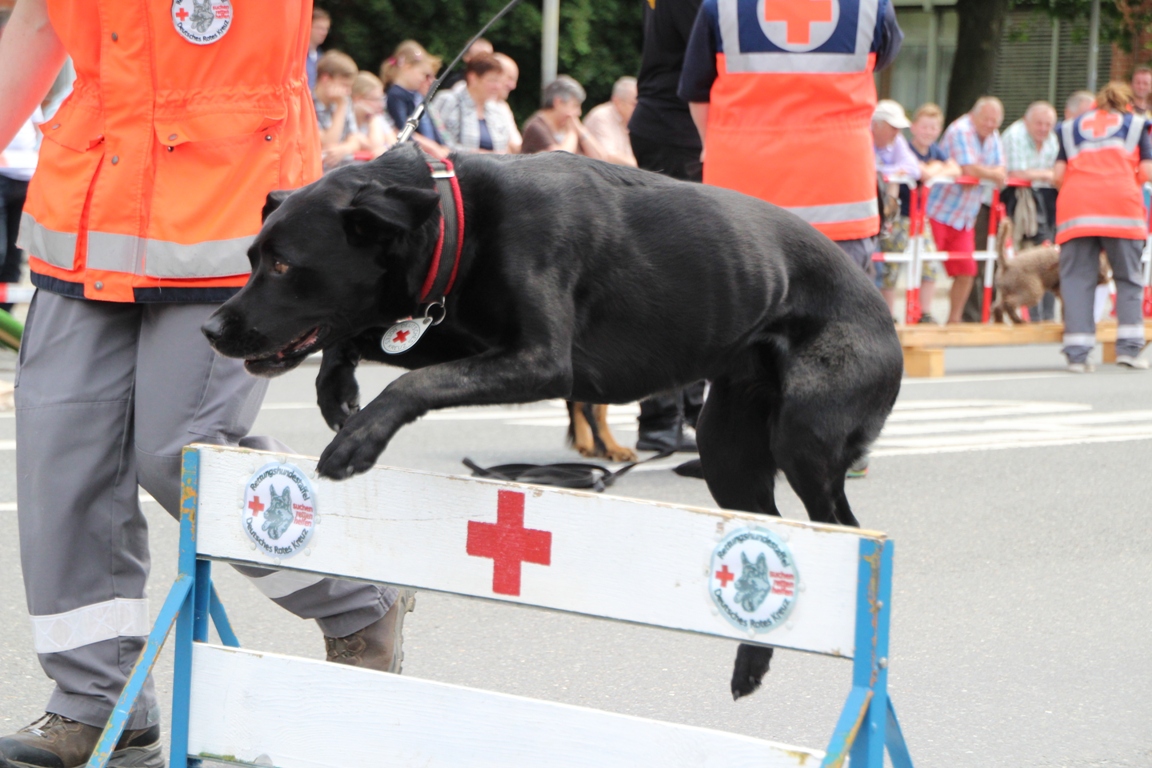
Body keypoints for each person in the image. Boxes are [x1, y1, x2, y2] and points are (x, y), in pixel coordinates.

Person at [0, 1, 409, 765]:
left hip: (229, 216)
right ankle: (99, 706)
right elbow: (32, 24)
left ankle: (355, 600)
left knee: (184, 453)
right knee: (62, 459)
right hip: (88, 209)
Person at [679, 0, 903, 275]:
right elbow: (883, 58)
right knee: (841, 312)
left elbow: (697, 92)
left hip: (740, 203)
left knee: (745, 313)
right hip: (839, 199)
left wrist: (709, 143)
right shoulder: (869, 5)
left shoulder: (724, 6)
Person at [627, 0, 705, 456]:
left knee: (690, 279)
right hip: (678, 129)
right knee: (677, 280)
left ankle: (689, 409)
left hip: (673, 126)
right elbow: (714, 58)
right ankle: (661, 417)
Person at [1054, 81, 1152, 372]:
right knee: (1128, 279)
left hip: (1077, 209)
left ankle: (1078, 354)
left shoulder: (1070, 127)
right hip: (1121, 208)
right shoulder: (1137, 125)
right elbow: (1146, 171)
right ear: (1126, 103)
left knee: (1076, 280)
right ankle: (1129, 351)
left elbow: (1058, 174)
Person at [926, 96, 1006, 324]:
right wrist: (987, 173)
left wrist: (983, 173)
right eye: (986, 119)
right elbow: (968, 169)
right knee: (927, 265)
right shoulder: (961, 129)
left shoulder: (993, 135)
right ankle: (922, 315)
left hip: (965, 215)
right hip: (939, 210)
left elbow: (1001, 169)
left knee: (967, 269)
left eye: (995, 121)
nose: (990, 125)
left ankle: (954, 319)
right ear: (974, 115)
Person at [1001, 101, 1059, 320]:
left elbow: (1055, 173)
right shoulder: (1015, 135)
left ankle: (1047, 314)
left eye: (1048, 124)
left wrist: (1041, 175)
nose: (1043, 128)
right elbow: (1016, 173)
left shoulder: (1051, 139)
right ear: (1026, 120)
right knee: (1031, 255)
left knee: (1051, 255)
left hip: (1046, 201)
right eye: (1039, 123)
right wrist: (1044, 175)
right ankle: (1030, 311)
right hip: (1020, 200)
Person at [904, 103, 959, 323]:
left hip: (921, 217)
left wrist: (936, 168)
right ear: (914, 127)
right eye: (924, 127)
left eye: (933, 128)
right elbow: (920, 171)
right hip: (901, 214)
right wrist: (934, 170)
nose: (928, 132)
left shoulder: (936, 150)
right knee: (890, 267)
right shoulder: (905, 149)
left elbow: (955, 168)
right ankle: (888, 314)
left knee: (929, 263)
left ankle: (924, 311)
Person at [871, 99, 921, 315]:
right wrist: (892, 173)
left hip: (882, 212)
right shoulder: (862, 137)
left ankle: (885, 317)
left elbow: (914, 169)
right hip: (864, 213)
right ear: (877, 125)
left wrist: (885, 172)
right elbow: (866, 168)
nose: (897, 133)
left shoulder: (897, 141)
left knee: (886, 268)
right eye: (893, 127)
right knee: (870, 266)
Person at [432, 53, 514, 153]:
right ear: (473, 78)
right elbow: (439, 143)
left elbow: (504, 149)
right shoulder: (449, 101)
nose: (497, 87)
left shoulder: (497, 109)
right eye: (492, 80)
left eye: (499, 81)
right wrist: (482, 155)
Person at [382, 39, 450, 160]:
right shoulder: (395, 95)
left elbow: (431, 123)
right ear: (407, 67)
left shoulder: (416, 94)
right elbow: (402, 129)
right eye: (423, 74)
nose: (425, 80)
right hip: (415, 156)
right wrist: (432, 147)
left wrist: (441, 144)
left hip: (429, 154)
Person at [521, 76, 608, 160]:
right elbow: (559, 160)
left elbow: (600, 159)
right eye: (575, 106)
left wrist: (580, 130)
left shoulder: (568, 126)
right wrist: (572, 132)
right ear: (558, 102)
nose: (579, 112)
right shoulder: (536, 127)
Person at [314, 50, 368, 170]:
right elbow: (328, 143)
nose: (348, 92)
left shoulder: (343, 100)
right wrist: (341, 107)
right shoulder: (307, 104)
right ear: (326, 79)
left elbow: (355, 139)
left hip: (341, 168)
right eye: (344, 85)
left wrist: (343, 149)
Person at [582, 76, 638, 167]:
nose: (638, 109)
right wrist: (642, 166)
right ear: (617, 101)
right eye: (634, 104)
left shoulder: (629, 120)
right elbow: (608, 156)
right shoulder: (601, 117)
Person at [352, 71, 398, 158]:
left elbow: (394, 144)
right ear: (357, 99)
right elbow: (375, 146)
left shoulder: (378, 117)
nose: (381, 104)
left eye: (382, 99)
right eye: (375, 99)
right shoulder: (349, 121)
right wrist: (372, 119)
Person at [491, 52, 522, 154]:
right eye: (510, 78)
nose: (513, 86)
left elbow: (517, 146)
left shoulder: (503, 107)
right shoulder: (459, 96)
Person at [306, 7, 331, 91]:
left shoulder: (323, 58)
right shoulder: (297, 56)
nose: (324, 32)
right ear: (308, 27)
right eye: (319, 28)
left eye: (326, 29)